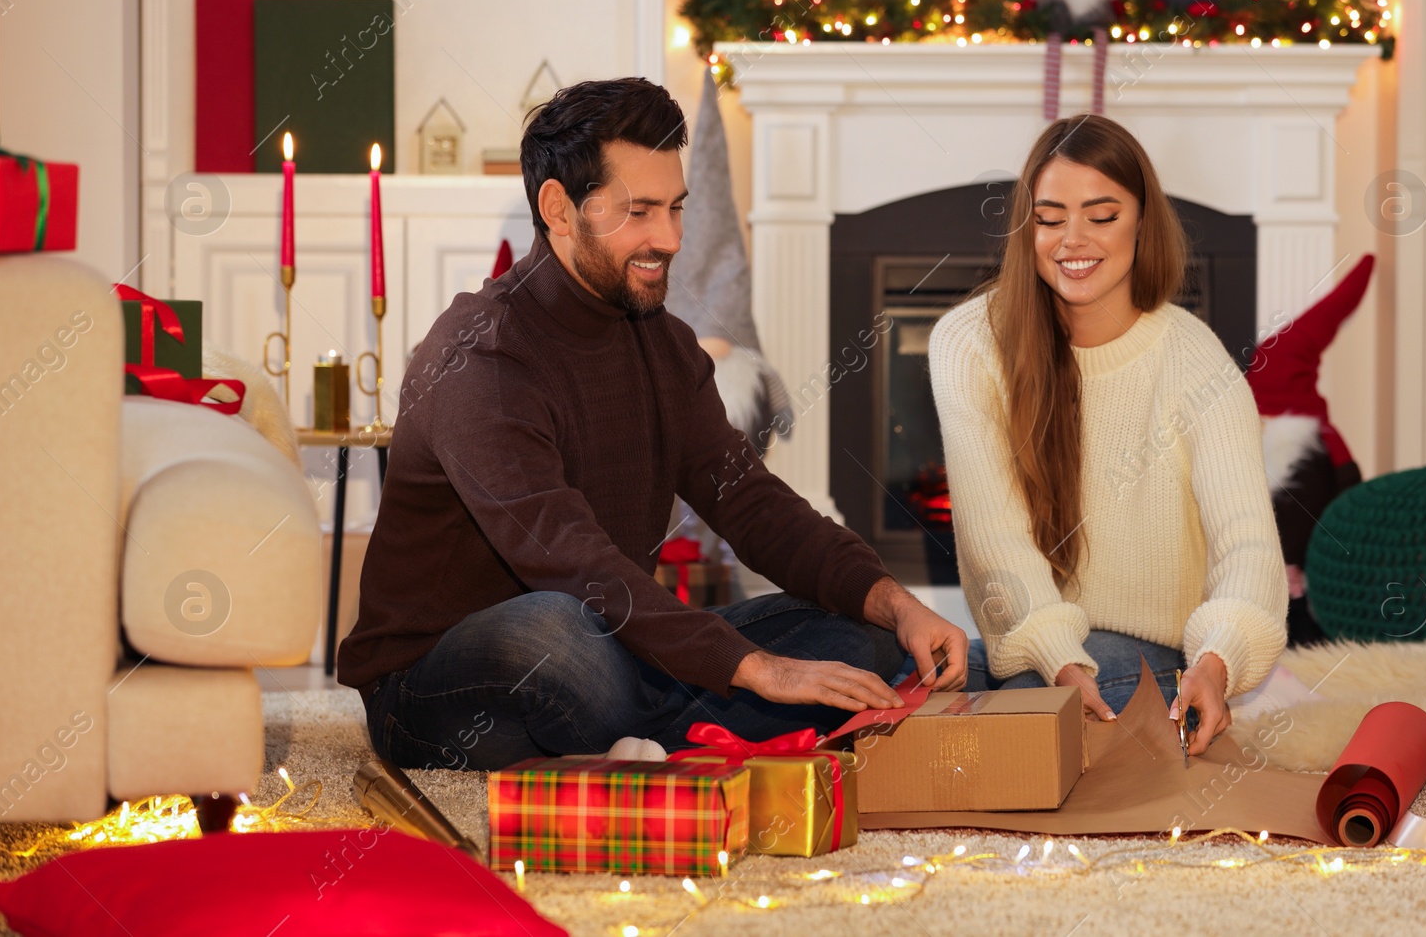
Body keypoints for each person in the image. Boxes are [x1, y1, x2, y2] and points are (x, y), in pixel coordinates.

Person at [338, 77, 968, 770]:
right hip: (441, 686)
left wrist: (896, 603)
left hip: (614, 642)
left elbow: (753, 504)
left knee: (863, 636)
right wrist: (759, 670)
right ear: (559, 208)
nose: (667, 238)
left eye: (675, 209)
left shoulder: (663, 343)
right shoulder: (480, 355)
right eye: (639, 212)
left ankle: (647, 743)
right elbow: (571, 559)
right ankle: (688, 730)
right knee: (556, 631)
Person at [928, 113, 1287, 757]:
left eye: (1102, 214)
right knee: (882, 670)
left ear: (1143, 223)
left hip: (1148, 659)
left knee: (1008, 707)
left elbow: (1249, 550)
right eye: (1050, 216)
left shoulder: (1195, 358)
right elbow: (995, 545)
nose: (1073, 239)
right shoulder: (967, 342)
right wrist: (1060, 660)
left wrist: (1216, 663)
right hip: (1040, 652)